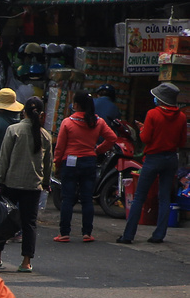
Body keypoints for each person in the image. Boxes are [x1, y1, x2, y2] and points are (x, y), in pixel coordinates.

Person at [0, 96, 52, 273]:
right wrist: (45, 184)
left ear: (24, 112)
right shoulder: (45, 135)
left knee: (3, 218)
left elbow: (4, 158)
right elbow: (48, 163)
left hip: (11, 182)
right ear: (42, 114)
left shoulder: (13, 130)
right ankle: (26, 262)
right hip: (33, 185)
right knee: (29, 223)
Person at [118, 82, 188, 244]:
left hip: (153, 158)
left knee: (139, 196)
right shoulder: (182, 117)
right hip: (170, 159)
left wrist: (142, 129)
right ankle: (159, 235)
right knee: (164, 197)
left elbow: (145, 138)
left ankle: (128, 236)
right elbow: (182, 141)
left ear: (161, 99)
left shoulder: (153, 114)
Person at [53, 89, 117, 243]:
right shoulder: (98, 121)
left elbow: (60, 147)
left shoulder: (67, 122)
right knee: (87, 199)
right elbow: (112, 138)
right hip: (89, 161)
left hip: (70, 162)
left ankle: (64, 233)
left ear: (76, 105)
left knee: (68, 199)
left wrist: (56, 164)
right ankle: (87, 233)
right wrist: (97, 149)